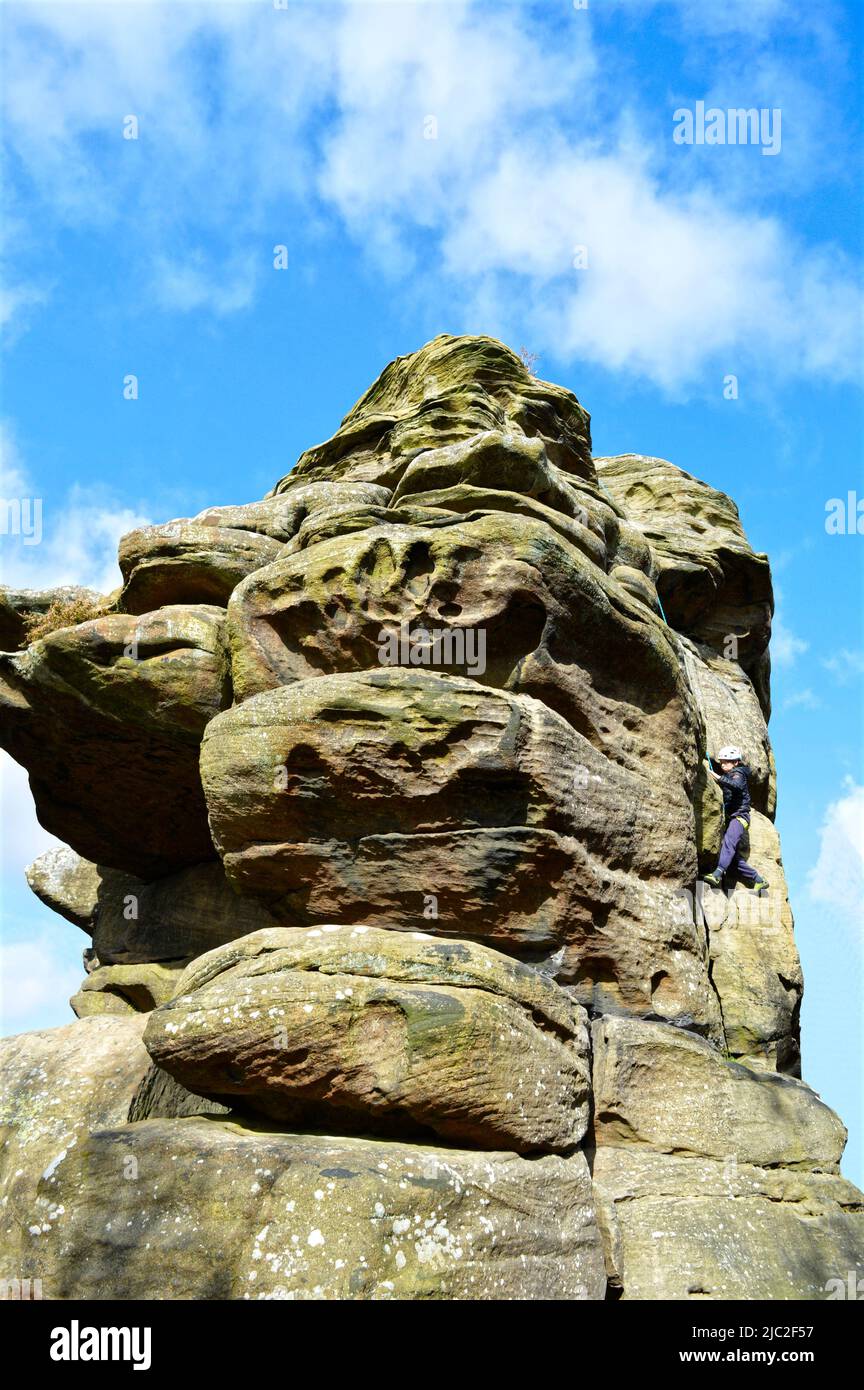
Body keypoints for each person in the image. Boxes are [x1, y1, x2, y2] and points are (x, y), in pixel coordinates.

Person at [703, 745, 769, 894]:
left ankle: (717, 874)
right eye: (722, 761)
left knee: (728, 844)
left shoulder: (738, 773)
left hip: (740, 816)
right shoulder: (730, 775)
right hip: (734, 816)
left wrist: (719, 778)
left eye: (727, 761)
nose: (723, 764)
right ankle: (758, 880)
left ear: (736, 762)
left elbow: (738, 786)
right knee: (732, 858)